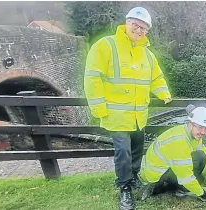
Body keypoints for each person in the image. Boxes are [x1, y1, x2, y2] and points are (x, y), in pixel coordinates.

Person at [83, 7, 171, 210]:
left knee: (137, 149)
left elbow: (156, 78)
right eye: (136, 25)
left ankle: (133, 178)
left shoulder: (147, 55)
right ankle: (124, 188)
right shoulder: (106, 46)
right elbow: (92, 77)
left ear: (147, 31)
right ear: (126, 23)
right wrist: (98, 108)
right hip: (116, 116)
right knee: (123, 152)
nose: (139, 30)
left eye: (144, 28)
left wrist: (164, 94)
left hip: (139, 116)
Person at [138, 105, 206, 202]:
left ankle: (172, 185)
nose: (204, 132)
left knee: (201, 156)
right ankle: (181, 189)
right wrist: (201, 193)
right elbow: (186, 177)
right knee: (196, 163)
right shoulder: (180, 141)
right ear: (191, 123)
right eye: (200, 127)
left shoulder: (190, 133)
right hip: (158, 178)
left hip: (163, 171)